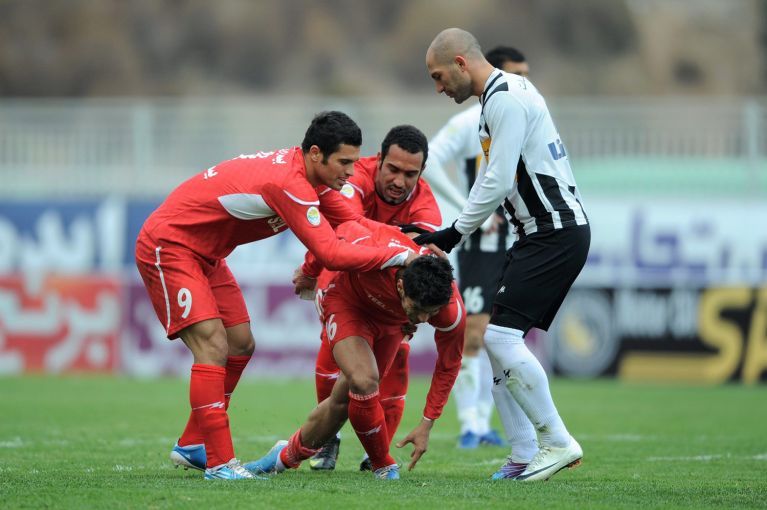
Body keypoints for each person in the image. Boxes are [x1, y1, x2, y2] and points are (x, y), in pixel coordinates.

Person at [134, 111, 417, 480]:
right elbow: (331, 253)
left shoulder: (313, 180)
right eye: (344, 162)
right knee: (213, 346)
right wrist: (399, 257)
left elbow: (354, 223)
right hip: (170, 245)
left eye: (353, 161)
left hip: (206, 255)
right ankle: (220, 464)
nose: (351, 172)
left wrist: (415, 248)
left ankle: (193, 443)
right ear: (316, 154)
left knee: (240, 343)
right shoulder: (289, 182)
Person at [419, 28, 590, 482]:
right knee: (497, 342)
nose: (438, 88)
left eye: (438, 76)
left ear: (460, 63)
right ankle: (522, 452)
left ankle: (556, 441)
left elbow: (497, 179)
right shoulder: (498, 98)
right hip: (538, 233)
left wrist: (455, 231)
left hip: (554, 231)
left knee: (498, 339)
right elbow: (495, 177)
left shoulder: (505, 98)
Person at [244, 220, 465, 480]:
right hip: (347, 302)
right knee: (363, 381)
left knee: (343, 402)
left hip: (390, 323)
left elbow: (449, 365)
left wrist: (427, 422)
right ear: (401, 286)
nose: (425, 319)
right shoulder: (374, 247)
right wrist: (310, 270)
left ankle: (283, 457)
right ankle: (383, 464)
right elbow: (337, 233)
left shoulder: (450, 312)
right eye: (418, 309)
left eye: (432, 312)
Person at [304, 125, 443, 471]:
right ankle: (328, 440)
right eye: (392, 169)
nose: (399, 181)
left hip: (391, 290)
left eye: (410, 174)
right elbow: (341, 229)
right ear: (378, 160)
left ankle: (375, 454)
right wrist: (309, 269)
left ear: (422, 173)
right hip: (345, 277)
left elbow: (423, 260)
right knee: (333, 348)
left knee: (398, 354)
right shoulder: (355, 177)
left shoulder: (426, 206)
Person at [424, 46, 529, 450]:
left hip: (518, 239)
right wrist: (469, 211)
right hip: (481, 244)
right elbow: (430, 160)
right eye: (517, 74)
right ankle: (472, 423)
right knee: (475, 334)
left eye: (526, 74)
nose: (524, 81)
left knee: (503, 336)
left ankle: (486, 422)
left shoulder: (525, 114)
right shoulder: (472, 120)